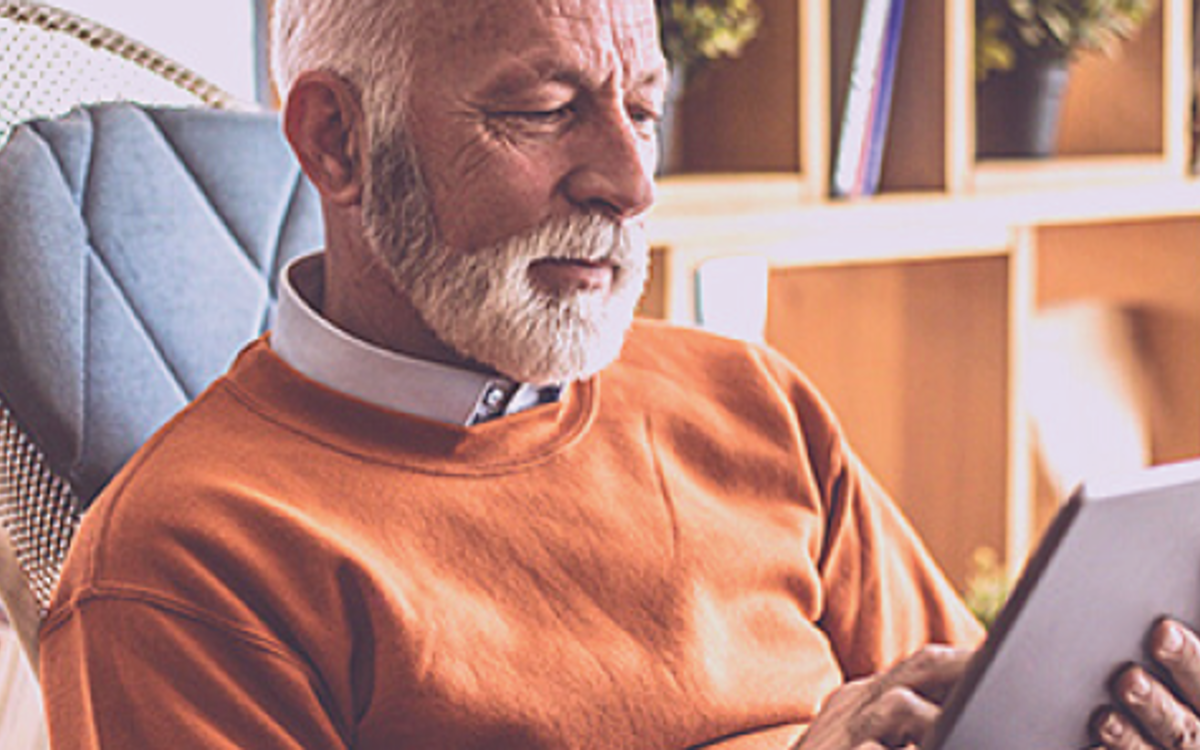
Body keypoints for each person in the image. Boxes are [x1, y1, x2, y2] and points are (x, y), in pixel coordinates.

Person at [35, 0, 1200, 748]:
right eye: (545, 111)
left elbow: (970, 717)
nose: (631, 182)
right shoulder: (183, 566)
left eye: (644, 109)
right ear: (337, 140)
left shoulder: (755, 404)